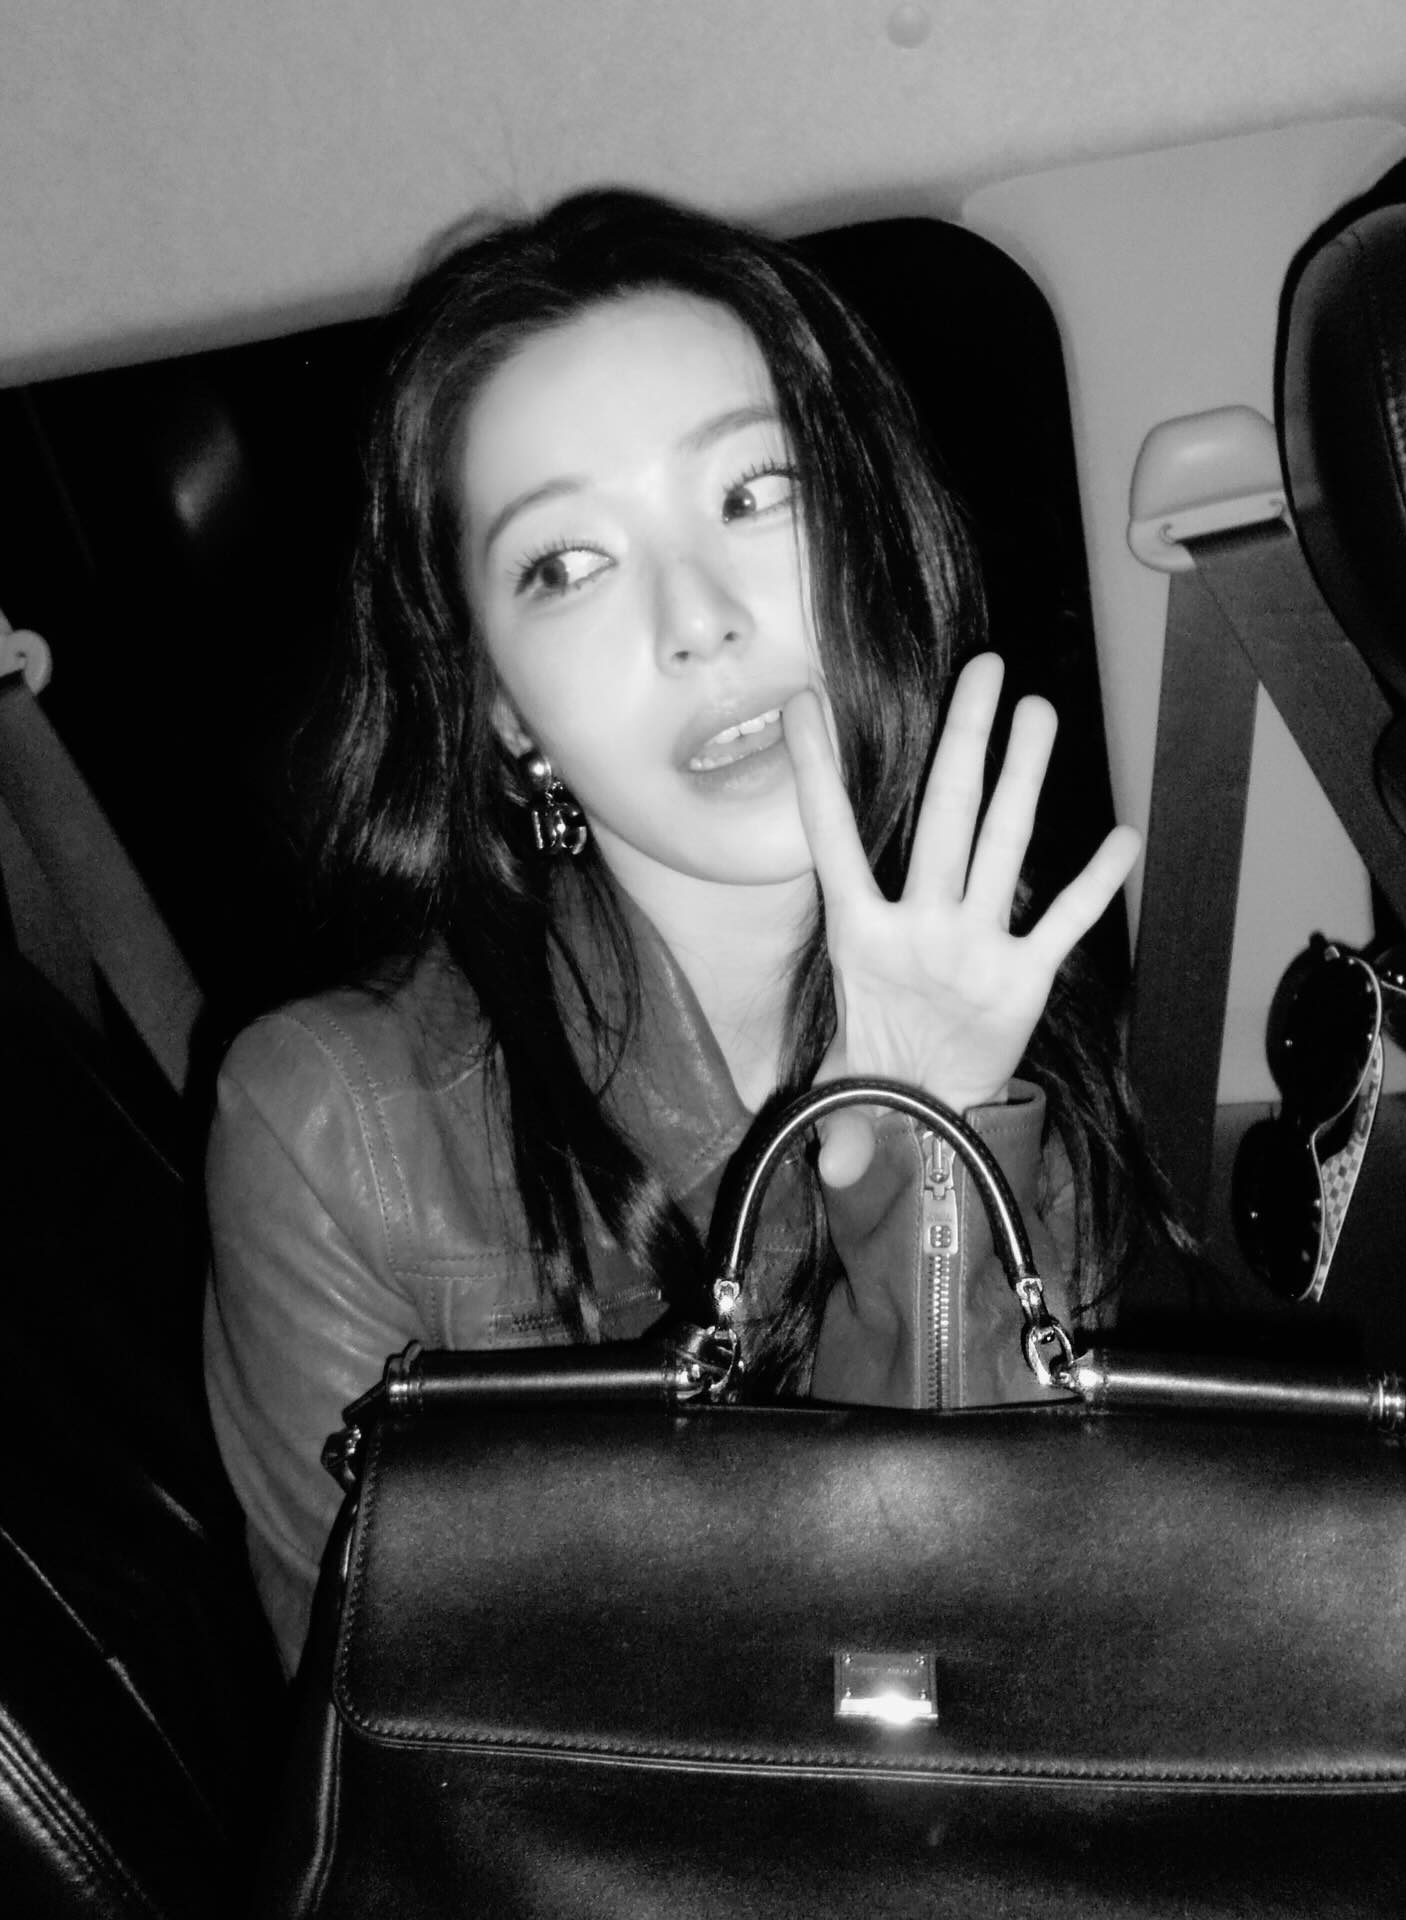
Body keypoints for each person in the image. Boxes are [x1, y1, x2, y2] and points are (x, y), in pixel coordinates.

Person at [204, 188, 1157, 1676]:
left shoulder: (1010, 1001)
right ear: (503, 709)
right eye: (566, 565)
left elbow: (1005, 1643)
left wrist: (926, 1129)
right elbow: (412, 1738)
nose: (698, 618)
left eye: (752, 493)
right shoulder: (331, 1126)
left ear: (862, 542)